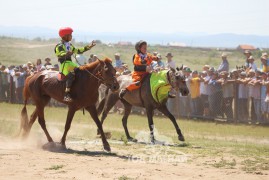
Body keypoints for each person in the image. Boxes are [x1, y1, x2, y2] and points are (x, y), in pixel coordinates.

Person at [55, 27, 96, 102]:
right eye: (70, 35)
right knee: (71, 74)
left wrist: (89, 46)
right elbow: (60, 53)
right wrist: (66, 53)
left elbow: (78, 51)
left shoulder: (69, 45)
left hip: (70, 63)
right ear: (65, 36)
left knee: (83, 71)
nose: (71, 36)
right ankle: (66, 94)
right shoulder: (59, 46)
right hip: (64, 64)